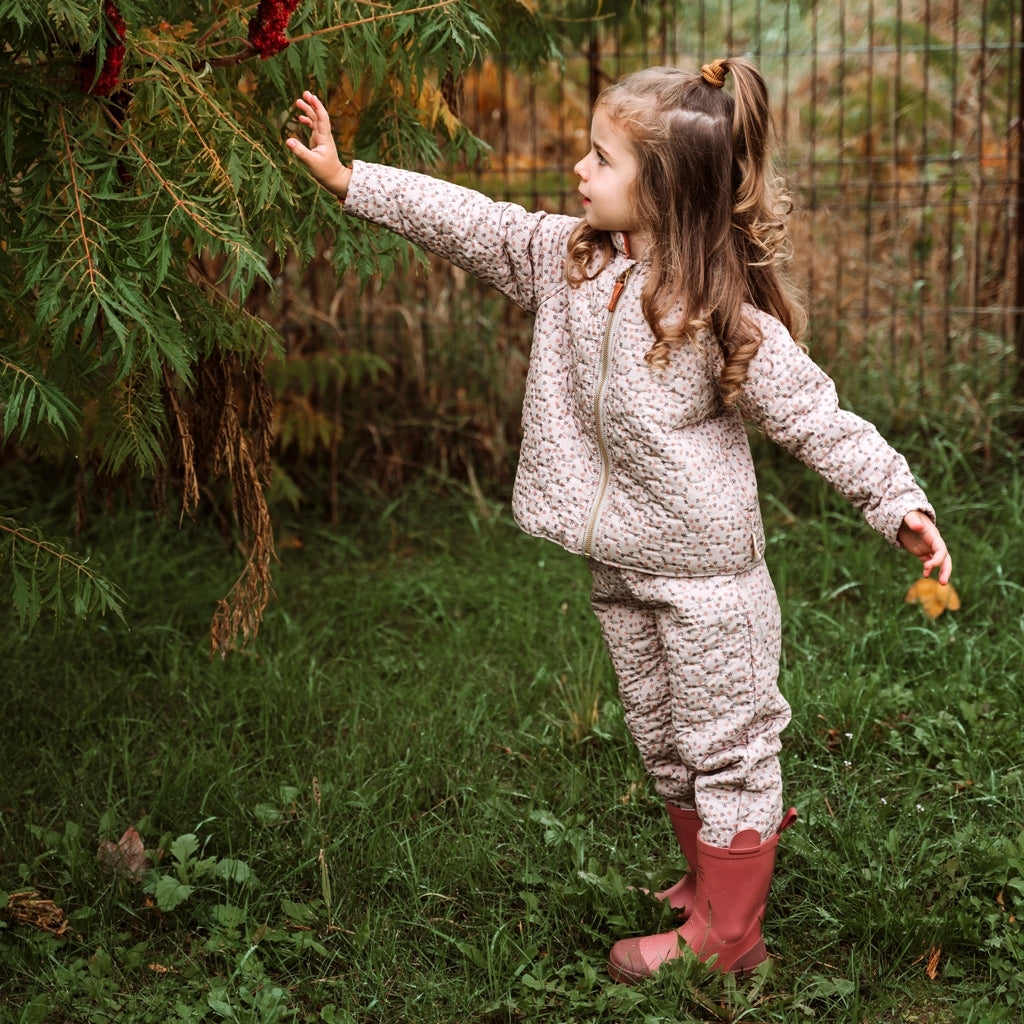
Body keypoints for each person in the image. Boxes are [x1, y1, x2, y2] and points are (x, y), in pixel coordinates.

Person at [286, 58, 952, 984]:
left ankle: (731, 939)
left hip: (710, 579)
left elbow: (814, 415)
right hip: (624, 562)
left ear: (664, 188)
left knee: (727, 746)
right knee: (661, 737)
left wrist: (896, 499)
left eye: (602, 159)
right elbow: (471, 222)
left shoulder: (718, 312)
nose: (580, 170)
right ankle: (709, 887)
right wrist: (351, 181)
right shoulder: (571, 259)